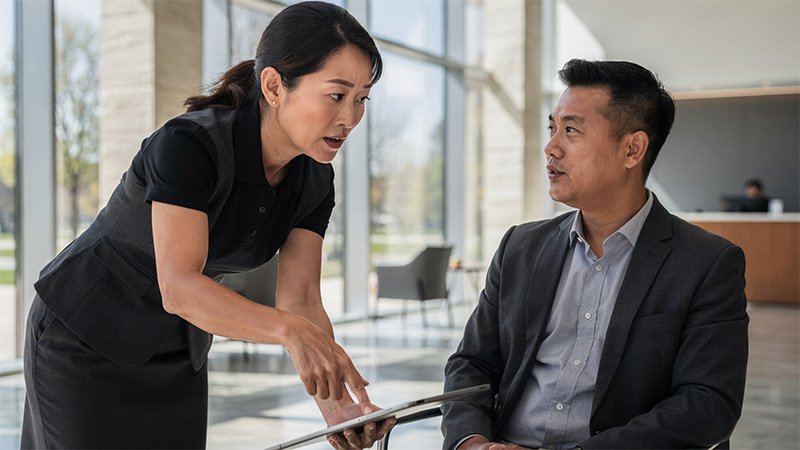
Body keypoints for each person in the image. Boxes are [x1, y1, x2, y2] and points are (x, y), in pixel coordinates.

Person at [21, 2, 394, 449]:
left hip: (177, 350)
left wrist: (338, 410)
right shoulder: (188, 145)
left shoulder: (314, 177)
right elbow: (179, 284)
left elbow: (302, 300)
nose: (351, 118)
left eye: (362, 99)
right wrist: (290, 332)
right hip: (83, 337)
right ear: (274, 86)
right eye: (337, 95)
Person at [441, 59, 749, 450]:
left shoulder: (706, 263)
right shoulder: (521, 247)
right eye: (552, 128)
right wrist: (473, 442)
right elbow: (472, 363)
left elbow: (708, 404)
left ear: (633, 149)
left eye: (571, 130)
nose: (551, 147)